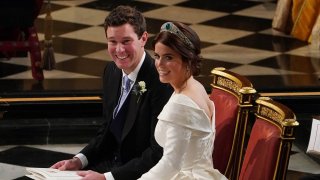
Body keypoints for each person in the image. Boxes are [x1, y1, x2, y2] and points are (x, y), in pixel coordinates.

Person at [50, 5, 172, 180]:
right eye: (112, 41)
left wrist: (108, 177)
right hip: (108, 164)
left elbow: (156, 153)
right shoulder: (111, 72)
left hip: (138, 173)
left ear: (143, 38)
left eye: (126, 41)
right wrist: (79, 160)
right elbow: (107, 129)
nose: (119, 50)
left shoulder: (161, 81)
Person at [138, 22, 227, 179]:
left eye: (169, 57)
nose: (159, 64)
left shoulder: (181, 105)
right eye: (157, 56)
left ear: (188, 59)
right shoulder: (196, 87)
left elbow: (171, 164)